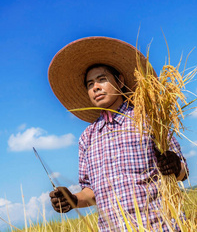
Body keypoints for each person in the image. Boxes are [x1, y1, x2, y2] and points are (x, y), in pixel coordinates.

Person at [47, 36, 188, 231]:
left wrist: (174, 165)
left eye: (102, 80)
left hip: (161, 226)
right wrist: (72, 199)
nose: (95, 87)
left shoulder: (147, 121)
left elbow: (183, 171)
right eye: (89, 84)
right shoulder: (87, 138)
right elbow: (91, 193)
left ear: (120, 81)